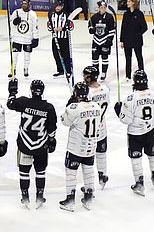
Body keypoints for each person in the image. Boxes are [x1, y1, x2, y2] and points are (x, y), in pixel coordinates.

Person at [7, 78, 57, 208]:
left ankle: (25, 196)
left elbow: (10, 103)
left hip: (24, 144)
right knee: (40, 171)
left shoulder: (24, 102)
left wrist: (12, 91)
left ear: (31, 90)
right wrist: (51, 140)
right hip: (41, 146)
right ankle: (39, 196)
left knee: (24, 171)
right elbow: (52, 128)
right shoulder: (48, 108)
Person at [114, 70, 154, 196]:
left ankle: (139, 183)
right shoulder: (153, 94)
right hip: (151, 130)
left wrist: (119, 111)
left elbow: (126, 120)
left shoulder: (130, 99)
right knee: (153, 155)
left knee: (136, 159)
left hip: (135, 134)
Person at [59, 82, 101, 211]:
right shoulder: (96, 106)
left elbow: (65, 121)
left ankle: (70, 200)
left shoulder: (74, 107)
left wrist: (70, 104)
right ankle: (89, 197)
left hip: (76, 147)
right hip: (91, 146)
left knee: (71, 173)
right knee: (88, 171)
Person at [82, 66, 111, 188]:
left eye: (85, 76)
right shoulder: (105, 89)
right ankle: (102, 176)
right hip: (101, 128)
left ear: (89, 77)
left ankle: (89, 187)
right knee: (101, 153)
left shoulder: (87, 92)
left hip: (89, 130)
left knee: (87, 159)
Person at [120, 0, 148, 81]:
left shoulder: (139, 14)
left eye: (129, 1)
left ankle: (142, 73)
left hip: (137, 41)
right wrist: (122, 40)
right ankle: (128, 76)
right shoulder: (126, 14)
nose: (127, 3)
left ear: (133, 3)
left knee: (139, 57)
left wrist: (137, 34)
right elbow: (123, 27)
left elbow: (144, 27)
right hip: (127, 40)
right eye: (127, 1)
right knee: (128, 59)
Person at [10, 0, 39, 77]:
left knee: (27, 56)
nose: (24, 5)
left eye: (25, 4)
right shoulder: (16, 12)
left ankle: (26, 69)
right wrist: (15, 22)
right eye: (23, 3)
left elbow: (35, 27)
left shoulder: (33, 14)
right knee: (14, 55)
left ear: (29, 4)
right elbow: (11, 23)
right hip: (17, 38)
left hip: (28, 39)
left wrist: (36, 38)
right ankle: (13, 69)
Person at [88, 1, 115, 80]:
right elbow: (90, 26)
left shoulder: (109, 17)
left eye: (104, 8)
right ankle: (95, 72)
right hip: (96, 40)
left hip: (105, 40)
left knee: (104, 57)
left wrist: (109, 39)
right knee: (95, 58)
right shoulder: (94, 17)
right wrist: (91, 29)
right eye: (101, 8)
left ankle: (104, 72)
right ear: (99, 8)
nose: (103, 9)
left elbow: (112, 30)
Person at [47, 1, 73, 78]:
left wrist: (63, 28)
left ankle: (68, 71)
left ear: (62, 7)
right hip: (55, 38)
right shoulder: (52, 14)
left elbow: (71, 26)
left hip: (64, 38)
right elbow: (49, 25)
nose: (57, 8)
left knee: (65, 55)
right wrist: (52, 29)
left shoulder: (66, 14)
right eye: (56, 6)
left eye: (59, 6)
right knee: (56, 55)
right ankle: (60, 70)